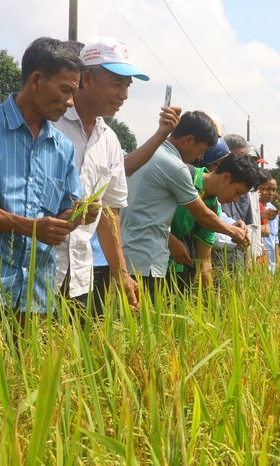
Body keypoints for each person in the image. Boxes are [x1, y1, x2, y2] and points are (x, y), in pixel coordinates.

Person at [0, 37, 94, 337]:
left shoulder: (61, 147)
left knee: (26, 380)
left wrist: (80, 215)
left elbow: (63, 214)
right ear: (36, 79)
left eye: (74, 93)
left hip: (35, 293)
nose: (70, 102)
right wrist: (33, 228)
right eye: (65, 90)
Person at [53, 37, 181, 315]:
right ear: (87, 79)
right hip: (39, 269)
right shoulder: (52, 124)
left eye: (127, 86)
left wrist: (121, 273)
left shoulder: (109, 139)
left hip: (82, 274)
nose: (124, 94)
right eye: (116, 83)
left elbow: (110, 212)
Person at [120, 111, 249, 299]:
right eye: (202, 150)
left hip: (127, 254)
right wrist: (233, 232)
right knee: (148, 324)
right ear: (188, 140)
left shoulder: (149, 152)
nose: (200, 156)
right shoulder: (175, 166)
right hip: (146, 257)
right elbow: (201, 215)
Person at [169, 145, 261, 289]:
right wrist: (169, 239)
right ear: (225, 177)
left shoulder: (213, 207)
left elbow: (204, 262)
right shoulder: (183, 174)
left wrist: (212, 306)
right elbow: (139, 212)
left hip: (172, 272)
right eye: (237, 191)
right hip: (137, 262)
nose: (236, 199)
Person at [212, 133, 254, 270]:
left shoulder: (243, 190)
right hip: (214, 257)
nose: (237, 198)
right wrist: (233, 235)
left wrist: (234, 227)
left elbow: (220, 217)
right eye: (238, 156)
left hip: (237, 256)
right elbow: (209, 223)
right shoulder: (210, 187)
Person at [258, 172, 280, 273]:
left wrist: (277, 262)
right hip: (256, 263)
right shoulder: (252, 208)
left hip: (271, 266)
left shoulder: (274, 210)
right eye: (268, 189)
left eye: (274, 190)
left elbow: (275, 239)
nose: (271, 193)